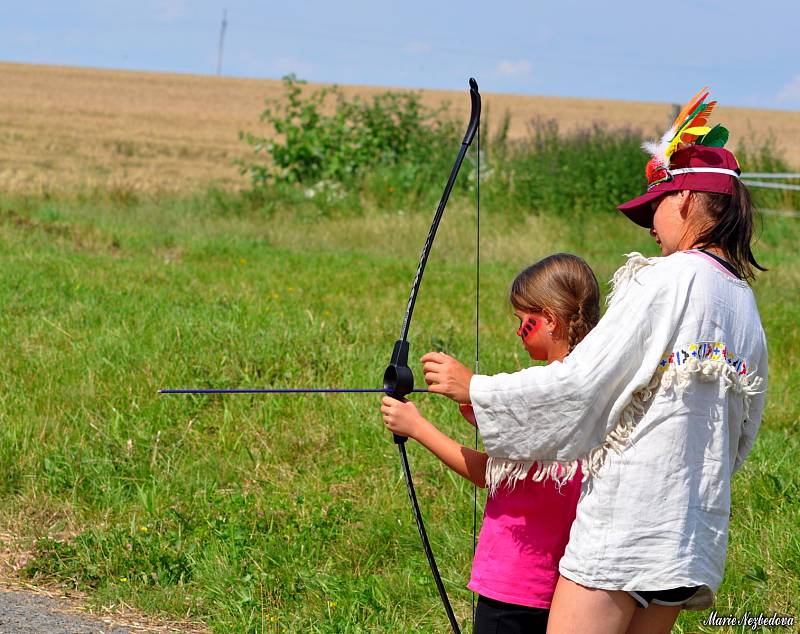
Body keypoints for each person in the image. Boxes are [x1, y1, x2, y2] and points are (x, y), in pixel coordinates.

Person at [417, 89, 769, 634]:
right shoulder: (743, 303)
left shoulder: (664, 278)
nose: (651, 225)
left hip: (625, 532)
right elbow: (740, 438)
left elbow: (582, 387)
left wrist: (476, 390)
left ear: (688, 200)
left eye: (656, 206)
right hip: (689, 538)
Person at [382, 253, 601, 634]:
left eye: (523, 323)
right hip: (573, 590)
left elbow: (489, 472)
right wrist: (478, 402)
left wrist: (417, 427)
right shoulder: (592, 395)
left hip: (512, 584)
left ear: (549, 319)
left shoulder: (539, 402)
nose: (519, 334)